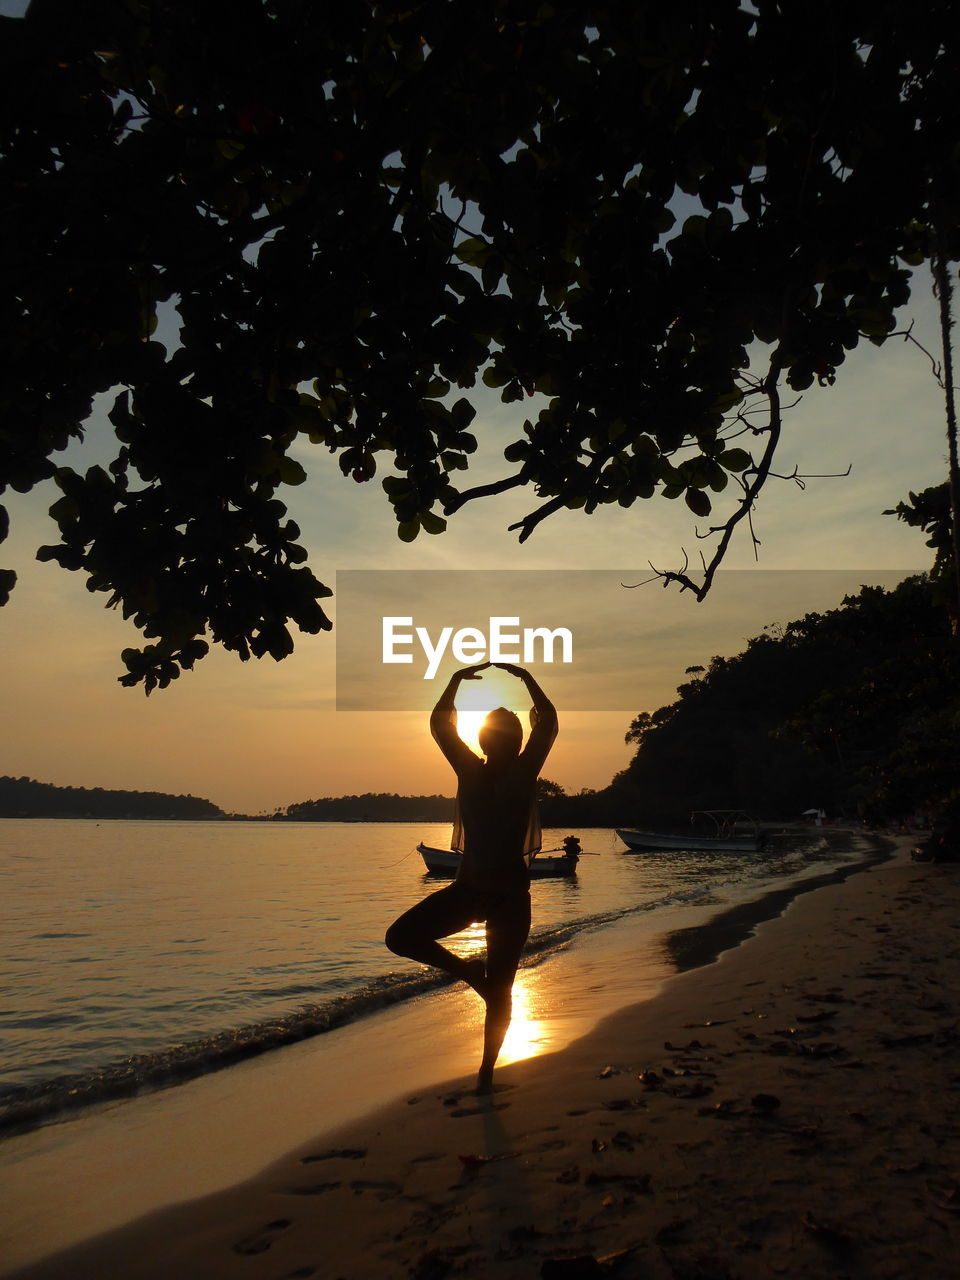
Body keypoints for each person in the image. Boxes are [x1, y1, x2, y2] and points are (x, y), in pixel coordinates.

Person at [385, 661, 558, 1093]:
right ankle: (468, 975)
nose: (501, 738)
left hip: (509, 898)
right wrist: (459, 681)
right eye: (498, 733)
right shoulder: (472, 769)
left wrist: (516, 679)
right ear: (487, 739)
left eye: (508, 733)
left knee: (501, 989)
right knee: (400, 938)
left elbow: (547, 723)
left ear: (515, 740)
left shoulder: (521, 769)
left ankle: (485, 1075)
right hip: (471, 890)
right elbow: (441, 727)